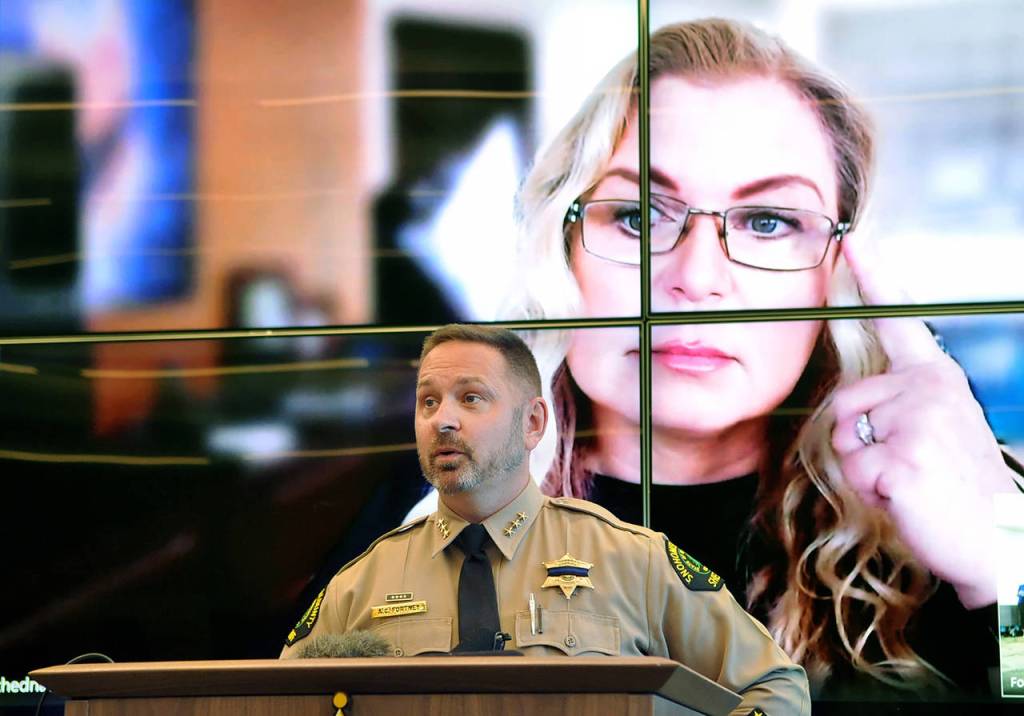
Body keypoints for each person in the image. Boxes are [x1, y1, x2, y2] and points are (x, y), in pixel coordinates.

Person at [507, 17, 1023, 698]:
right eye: (638, 216)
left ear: (838, 269)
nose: (696, 277)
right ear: (561, 243)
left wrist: (1002, 570)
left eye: (768, 222)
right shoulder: (424, 524)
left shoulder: (971, 513)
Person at [281, 324, 811, 715]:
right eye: (428, 402)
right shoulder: (360, 584)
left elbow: (777, 686)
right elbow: (275, 702)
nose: (443, 419)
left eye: (470, 398)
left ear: (533, 422)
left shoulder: (630, 560)